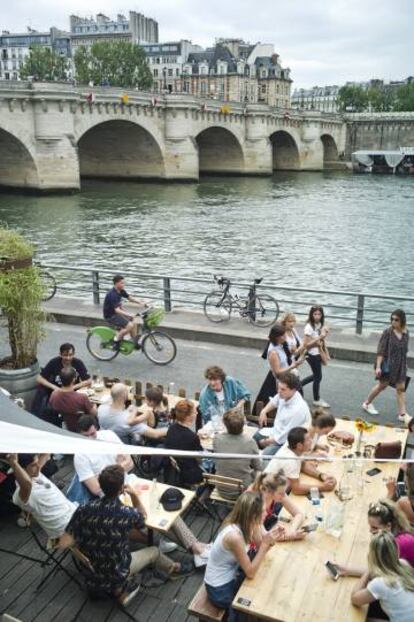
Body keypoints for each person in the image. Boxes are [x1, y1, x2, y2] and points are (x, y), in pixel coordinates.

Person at [60, 465, 192, 604]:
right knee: (154, 551)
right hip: (117, 571)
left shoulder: (84, 509)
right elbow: (143, 519)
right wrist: (134, 496)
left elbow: (64, 542)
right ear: (121, 488)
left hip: (91, 569)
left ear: (100, 484)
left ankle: (115, 589)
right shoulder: (127, 513)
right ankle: (174, 569)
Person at [204, 491, 280, 620]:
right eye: (262, 512)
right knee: (253, 601)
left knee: (265, 582)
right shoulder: (234, 536)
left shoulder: (248, 523)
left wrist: (268, 539)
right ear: (251, 515)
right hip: (219, 589)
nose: (266, 513)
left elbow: (261, 546)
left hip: (231, 574)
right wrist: (265, 545)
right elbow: (250, 571)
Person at [4, 453, 76, 540]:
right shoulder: (20, 494)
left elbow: (46, 452)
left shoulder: (36, 474)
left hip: (74, 513)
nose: (38, 466)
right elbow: (27, 483)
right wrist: (14, 462)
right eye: (33, 465)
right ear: (22, 469)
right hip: (64, 528)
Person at [66, 415, 133, 505]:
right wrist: (120, 465)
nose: (90, 439)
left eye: (93, 434)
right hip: (110, 496)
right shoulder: (80, 456)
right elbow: (96, 489)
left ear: (97, 428)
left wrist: (104, 476)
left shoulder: (109, 435)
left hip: (128, 481)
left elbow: (131, 463)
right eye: (86, 436)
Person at [350, 532, 414, 622]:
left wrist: (369, 569)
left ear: (372, 556)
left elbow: (355, 599)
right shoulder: (404, 564)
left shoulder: (381, 583)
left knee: (365, 619)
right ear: (396, 551)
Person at [363, 309, 409, 422]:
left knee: (401, 388)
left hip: (400, 366)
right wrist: (378, 366)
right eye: (392, 319)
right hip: (388, 365)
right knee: (382, 386)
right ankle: (367, 403)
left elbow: (404, 351)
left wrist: (405, 364)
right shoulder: (388, 333)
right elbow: (381, 351)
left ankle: (402, 414)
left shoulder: (405, 333)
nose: (393, 322)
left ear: (402, 321)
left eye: (396, 320)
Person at [264, 427, 337, 495]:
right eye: (308, 440)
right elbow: (296, 489)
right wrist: (323, 487)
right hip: (271, 497)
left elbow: (302, 464)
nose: (311, 441)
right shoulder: (290, 461)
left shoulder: (293, 447)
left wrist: (321, 475)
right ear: (299, 445)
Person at [255, 372, 311, 455]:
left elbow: (285, 436)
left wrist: (265, 442)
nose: (279, 391)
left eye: (283, 389)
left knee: (264, 455)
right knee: (254, 438)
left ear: (293, 389)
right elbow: (275, 400)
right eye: (278, 388)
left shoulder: (298, 410)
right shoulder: (285, 394)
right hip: (275, 432)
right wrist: (264, 411)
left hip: (288, 443)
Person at [253, 323, 305, 411]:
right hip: (279, 380)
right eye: (283, 335)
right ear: (277, 337)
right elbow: (277, 372)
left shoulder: (281, 344)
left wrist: (293, 352)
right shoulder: (273, 352)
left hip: (288, 376)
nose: (285, 337)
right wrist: (293, 366)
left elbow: (286, 357)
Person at [32, 343, 91, 420]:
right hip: (56, 392)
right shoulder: (54, 362)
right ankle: (37, 416)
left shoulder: (78, 363)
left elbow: (88, 380)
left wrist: (72, 387)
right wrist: (55, 388)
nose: (68, 358)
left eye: (70, 355)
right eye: (65, 355)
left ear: (74, 354)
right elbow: (39, 378)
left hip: (72, 392)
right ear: (60, 354)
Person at [213, 408, 263, 499]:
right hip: (242, 490)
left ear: (225, 424)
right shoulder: (249, 442)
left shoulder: (217, 439)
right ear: (243, 424)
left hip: (221, 488)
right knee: (261, 469)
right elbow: (258, 467)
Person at [97, 383, 167, 444]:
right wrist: (172, 429)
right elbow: (155, 434)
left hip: (103, 442)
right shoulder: (127, 421)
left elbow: (115, 416)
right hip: (122, 448)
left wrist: (127, 411)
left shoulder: (101, 408)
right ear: (125, 396)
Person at [248, 471, 305, 538]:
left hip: (266, 529)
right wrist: (290, 536)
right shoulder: (255, 503)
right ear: (269, 492)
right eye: (281, 493)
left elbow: (299, 514)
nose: (284, 495)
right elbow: (263, 537)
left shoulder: (275, 493)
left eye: (284, 492)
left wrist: (292, 530)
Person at [164, 400, 204, 487]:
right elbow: (200, 459)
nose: (197, 413)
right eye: (194, 412)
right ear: (188, 416)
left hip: (175, 468)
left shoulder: (171, 428)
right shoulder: (191, 437)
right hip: (189, 474)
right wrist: (198, 439)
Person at [103, 274, 148, 350]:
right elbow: (117, 310)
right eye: (122, 283)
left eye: (123, 283)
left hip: (117, 313)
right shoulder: (112, 294)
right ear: (116, 283)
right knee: (130, 325)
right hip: (111, 316)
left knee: (135, 321)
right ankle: (116, 341)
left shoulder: (120, 291)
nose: (123, 284)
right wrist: (130, 314)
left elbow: (129, 298)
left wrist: (141, 303)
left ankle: (134, 342)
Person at [48, 366, 97, 433]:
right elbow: (94, 413)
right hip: (84, 427)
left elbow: (52, 407)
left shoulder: (54, 395)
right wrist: (95, 405)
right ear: (74, 379)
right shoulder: (82, 398)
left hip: (66, 425)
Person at [303, 305, 330, 408]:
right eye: (315, 314)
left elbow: (321, 339)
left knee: (316, 376)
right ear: (311, 314)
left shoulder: (319, 324)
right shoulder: (309, 327)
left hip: (318, 353)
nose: (317, 316)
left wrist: (324, 333)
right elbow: (306, 345)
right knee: (318, 376)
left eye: (319, 314)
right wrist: (320, 337)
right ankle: (316, 399)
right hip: (312, 354)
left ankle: (298, 386)